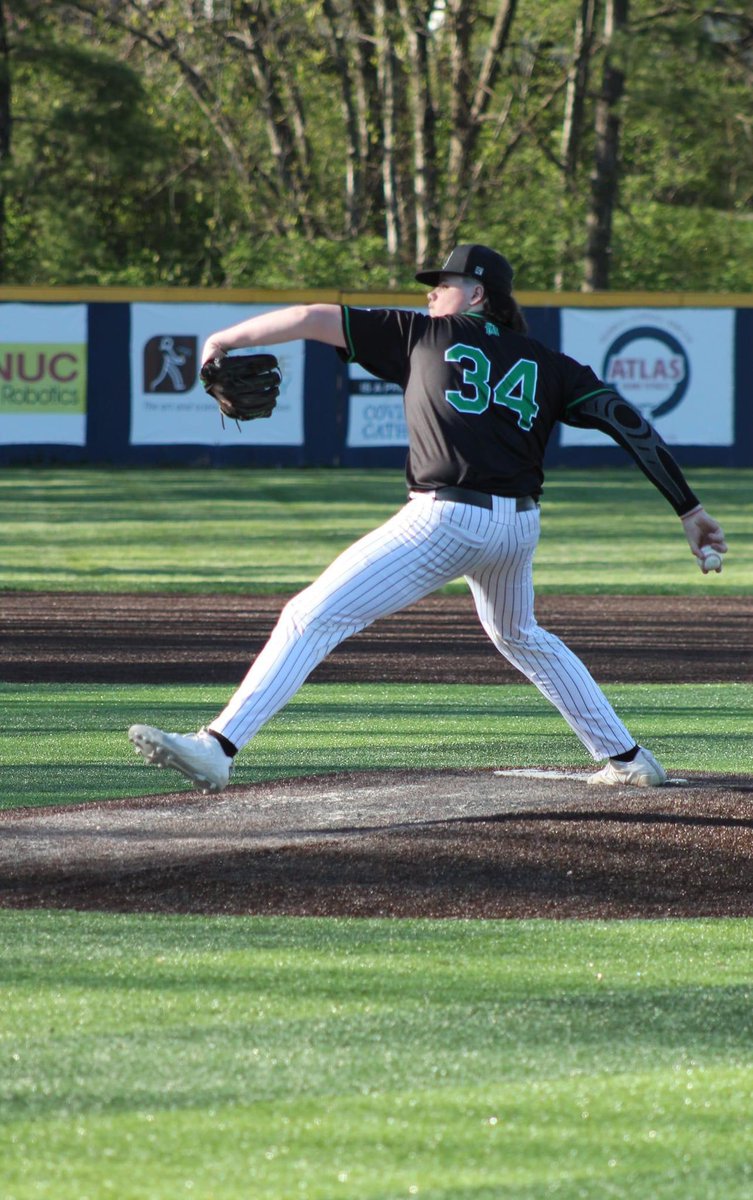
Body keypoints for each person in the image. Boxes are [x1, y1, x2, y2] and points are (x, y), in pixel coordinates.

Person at [129, 244, 727, 793]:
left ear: (478, 294)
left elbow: (313, 317)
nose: (430, 294)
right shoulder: (550, 363)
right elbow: (628, 423)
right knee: (520, 634)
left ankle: (219, 746)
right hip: (517, 529)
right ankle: (627, 759)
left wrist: (224, 339)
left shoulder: (420, 334)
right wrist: (689, 508)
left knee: (311, 615)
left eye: (445, 284)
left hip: (446, 522)